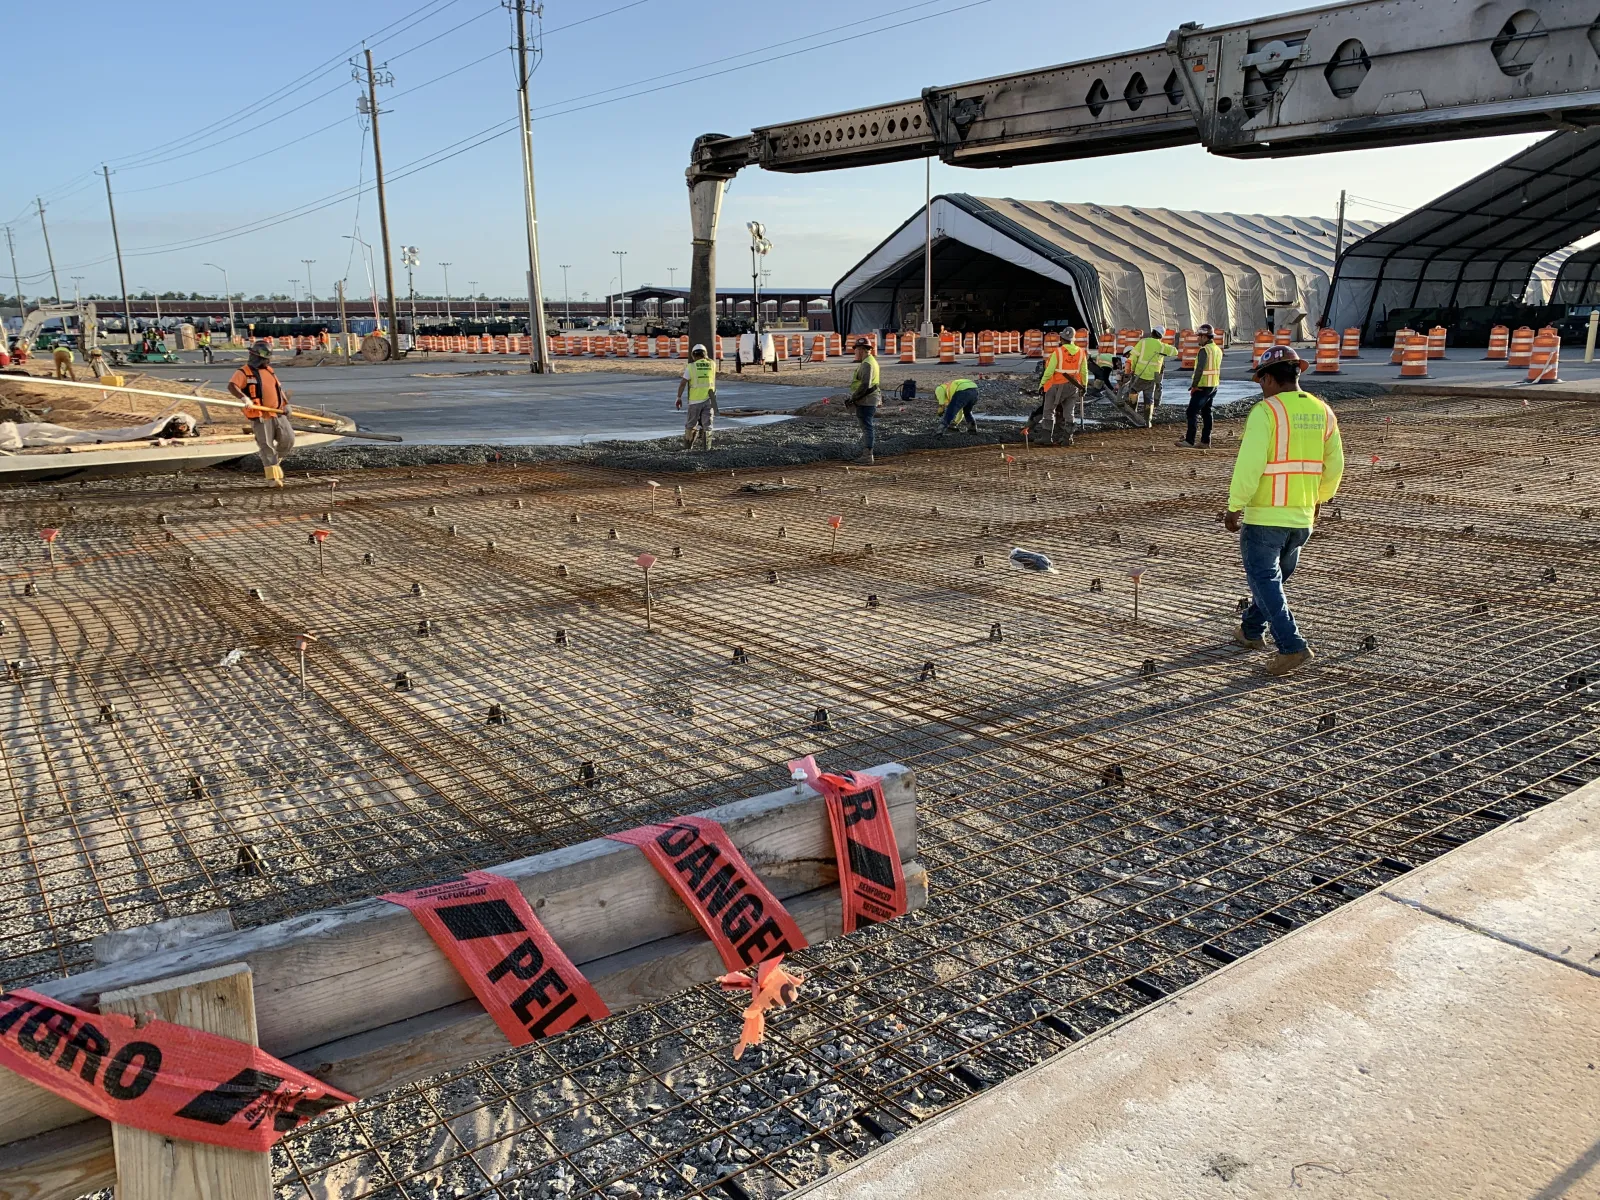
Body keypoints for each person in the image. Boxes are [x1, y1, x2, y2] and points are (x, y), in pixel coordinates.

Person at [1222, 346, 1345, 676]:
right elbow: (1335, 465)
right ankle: (1249, 631)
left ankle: (1291, 646)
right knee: (1272, 582)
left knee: (1265, 580)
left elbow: (1250, 464)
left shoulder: (1267, 412)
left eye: (1261, 380)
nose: (1260, 387)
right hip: (1302, 518)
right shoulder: (1323, 411)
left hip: (1266, 517)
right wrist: (1318, 499)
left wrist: (1235, 506)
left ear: (1270, 378)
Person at [228, 340, 294, 487]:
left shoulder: (270, 371)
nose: (267, 361)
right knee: (267, 446)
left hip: (278, 413)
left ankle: (275, 461)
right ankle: (272, 479)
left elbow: (279, 389)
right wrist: (244, 398)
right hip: (261, 416)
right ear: (256, 356)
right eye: (265, 359)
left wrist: (286, 404)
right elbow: (232, 386)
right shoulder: (243, 372)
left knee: (288, 439)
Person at [1025, 336, 1088, 445]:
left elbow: (1049, 370)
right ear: (1073, 339)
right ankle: (1067, 439)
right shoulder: (1081, 352)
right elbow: (1084, 372)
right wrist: (1084, 386)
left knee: (1048, 410)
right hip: (1073, 386)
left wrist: (1042, 384)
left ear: (1062, 339)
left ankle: (1046, 438)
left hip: (1057, 385)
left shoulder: (1058, 352)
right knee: (1069, 413)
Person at [1177, 324, 1223, 448]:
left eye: (1199, 336)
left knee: (1191, 412)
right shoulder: (1217, 349)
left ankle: (1189, 440)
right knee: (1207, 413)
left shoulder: (1204, 350)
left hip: (1202, 386)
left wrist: (1194, 385)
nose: (1198, 339)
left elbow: (1199, 369)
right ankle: (1205, 441)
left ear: (1204, 336)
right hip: (1213, 386)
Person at [1122, 328, 1178, 426]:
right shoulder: (1162, 346)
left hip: (1139, 374)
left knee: (1133, 392)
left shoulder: (1143, 342)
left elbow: (1133, 357)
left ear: (1152, 332)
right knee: (1149, 398)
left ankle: (1132, 415)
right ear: (1161, 336)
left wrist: (1131, 371)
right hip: (1152, 377)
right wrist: (1163, 350)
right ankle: (1148, 421)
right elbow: (1175, 352)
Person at [675, 342, 717, 450]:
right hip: (710, 400)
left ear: (693, 355)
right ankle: (707, 448)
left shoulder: (691, 367)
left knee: (691, 424)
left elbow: (683, 383)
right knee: (707, 425)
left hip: (695, 401)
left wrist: (679, 397)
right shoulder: (712, 364)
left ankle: (688, 447)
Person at [845, 337, 880, 464]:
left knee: (867, 427)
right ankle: (866, 454)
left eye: (856, 350)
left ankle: (867, 456)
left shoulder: (867, 364)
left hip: (866, 400)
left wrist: (853, 398)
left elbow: (865, 385)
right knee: (867, 426)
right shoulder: (870, 361)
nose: (855, 353)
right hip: (867, 399)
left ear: (861, 350)